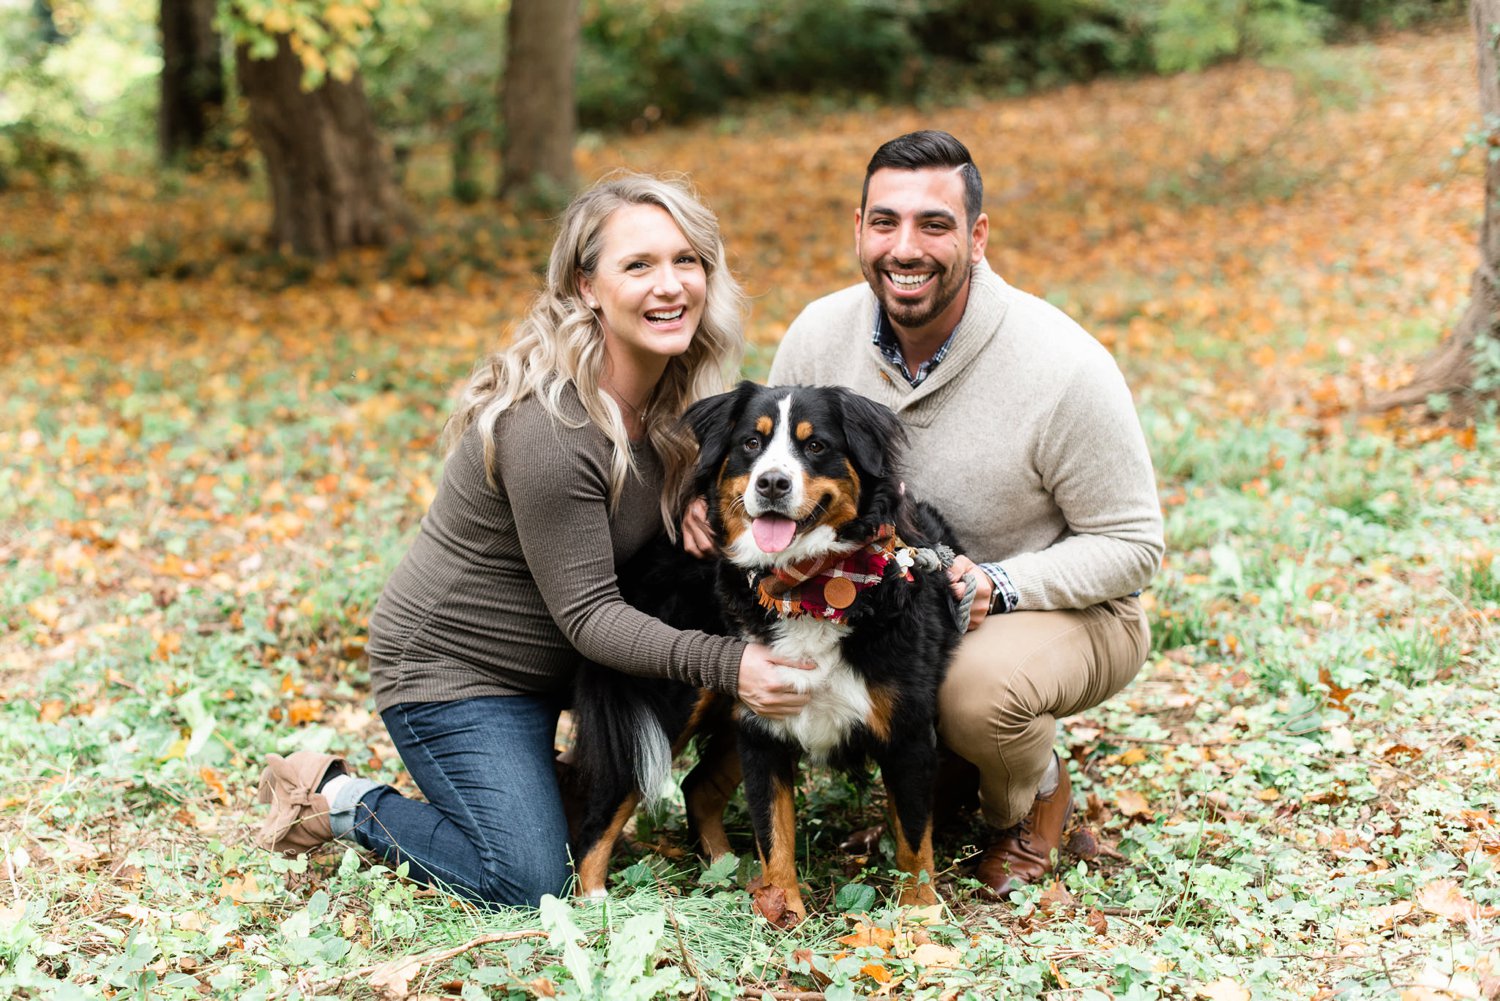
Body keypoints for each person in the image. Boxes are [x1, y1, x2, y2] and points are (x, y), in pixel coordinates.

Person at [254, 172, 814, 908]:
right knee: (526, 879)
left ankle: (540, 781)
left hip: (566, 672)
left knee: (569, 825)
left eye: (687, 261)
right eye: (638, 265)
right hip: (458, 671)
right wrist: (730, 663)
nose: (670, 285)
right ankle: (339, 798)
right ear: (587, 286)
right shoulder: (552, 427)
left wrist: (699, 493)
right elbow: (589, 615)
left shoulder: (688, 397)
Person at [763, 131, 1163, 899]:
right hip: (892, 605)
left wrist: (1002, 584)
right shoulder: (818, 335)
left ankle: (1033, 793)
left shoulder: (1063, 366)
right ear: (858, 229)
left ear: (977, 237)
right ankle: (933, 766)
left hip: (1068, 607)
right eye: (885, 222)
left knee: (969, 693)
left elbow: (1134, 543)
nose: (904, 247)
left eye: (934, 224)